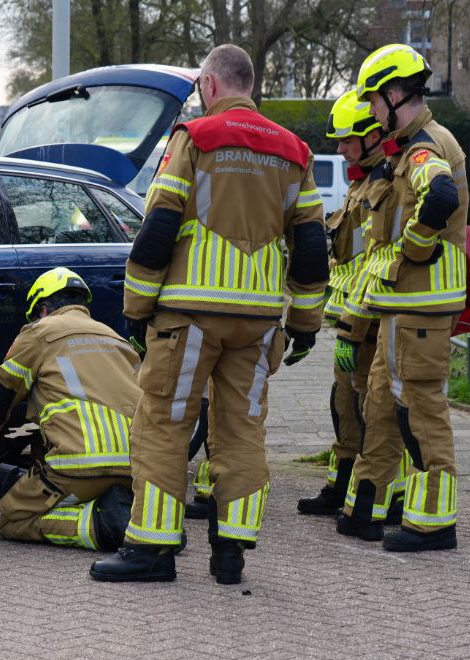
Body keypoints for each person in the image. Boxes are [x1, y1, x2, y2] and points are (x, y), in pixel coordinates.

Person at [90, 44, 329, 585]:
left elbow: (157, 229)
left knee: (164, 424)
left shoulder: (194, 139)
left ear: (211, 85)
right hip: (259, 321)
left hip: (190, 316)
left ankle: (152, 550)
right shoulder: (295, 152)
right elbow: (313, 247)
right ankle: (231, 553)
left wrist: (136, 309)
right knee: (242, 430)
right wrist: (306, 324)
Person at [337, 44, 468, 552]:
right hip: (402, 305)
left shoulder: (424, 146)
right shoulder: (412, 143)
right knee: (384, 407)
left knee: (420, 409)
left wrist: (411, 250)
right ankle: (365, 507)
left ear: (394, 94)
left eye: (373, 101)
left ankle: (434, 523)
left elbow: (440, 198)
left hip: (422, 304)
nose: (370, 111)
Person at [0, 267, 140, 550]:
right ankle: (120, 510)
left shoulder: (40, 333)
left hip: (77, 469)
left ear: (42, 308)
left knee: (11, 520)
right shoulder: (117, 339)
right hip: (134, 470)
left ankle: (103, 525)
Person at [297, 91, 412, 518]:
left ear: (372, 136)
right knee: (343, 405)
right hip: (350, 323)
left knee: (372, 413)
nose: (340, 149)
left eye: (347, 140)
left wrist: (353, 327)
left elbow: (374, 264)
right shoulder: (361, 184)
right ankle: (341, 484)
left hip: (369, 324)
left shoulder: (387, 188)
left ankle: (385, 496)